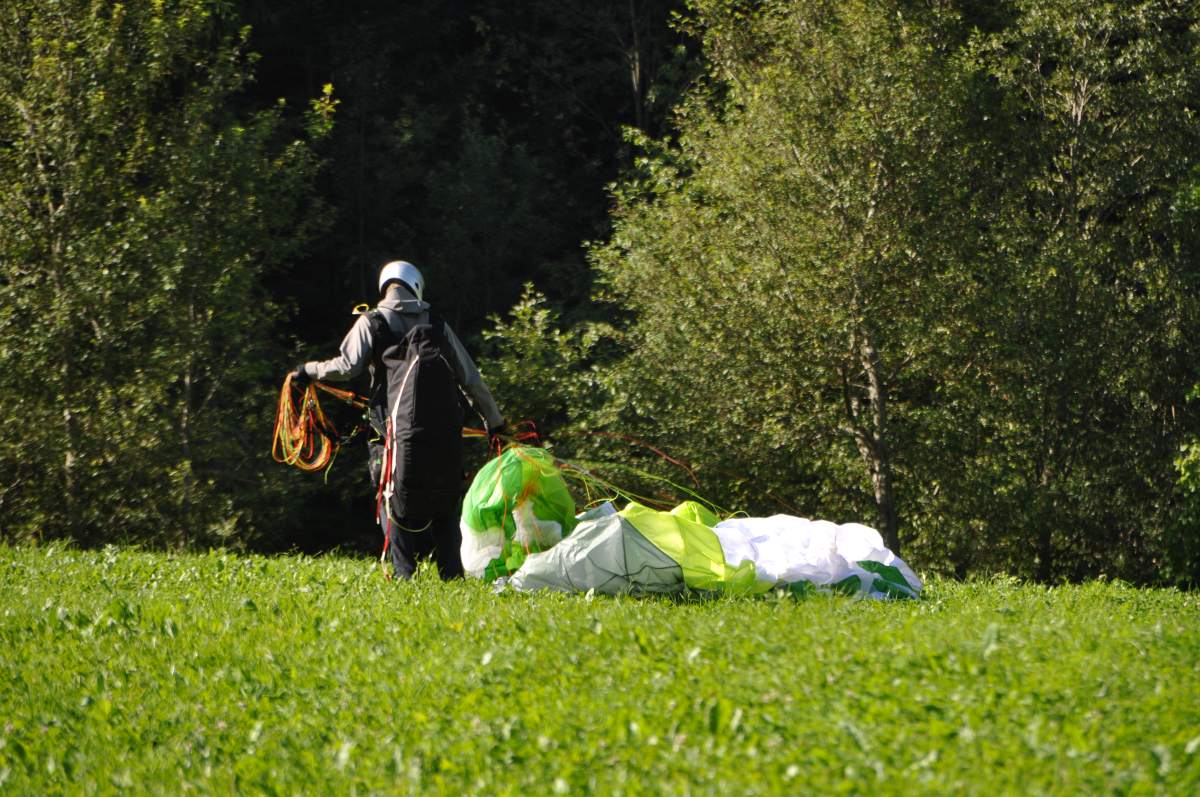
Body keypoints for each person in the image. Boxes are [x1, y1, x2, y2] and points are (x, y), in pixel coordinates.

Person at [290, 260, 506, 579]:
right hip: (444, 435)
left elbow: (347, 367)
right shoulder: (437, 324)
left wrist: (309, 370)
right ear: (416, 286)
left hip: (391, 434)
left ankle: (405, 575)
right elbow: (471, 380)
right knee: (445, 500)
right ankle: (451, 575)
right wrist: (495, 423)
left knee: (391, 497)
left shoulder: (372, 322)